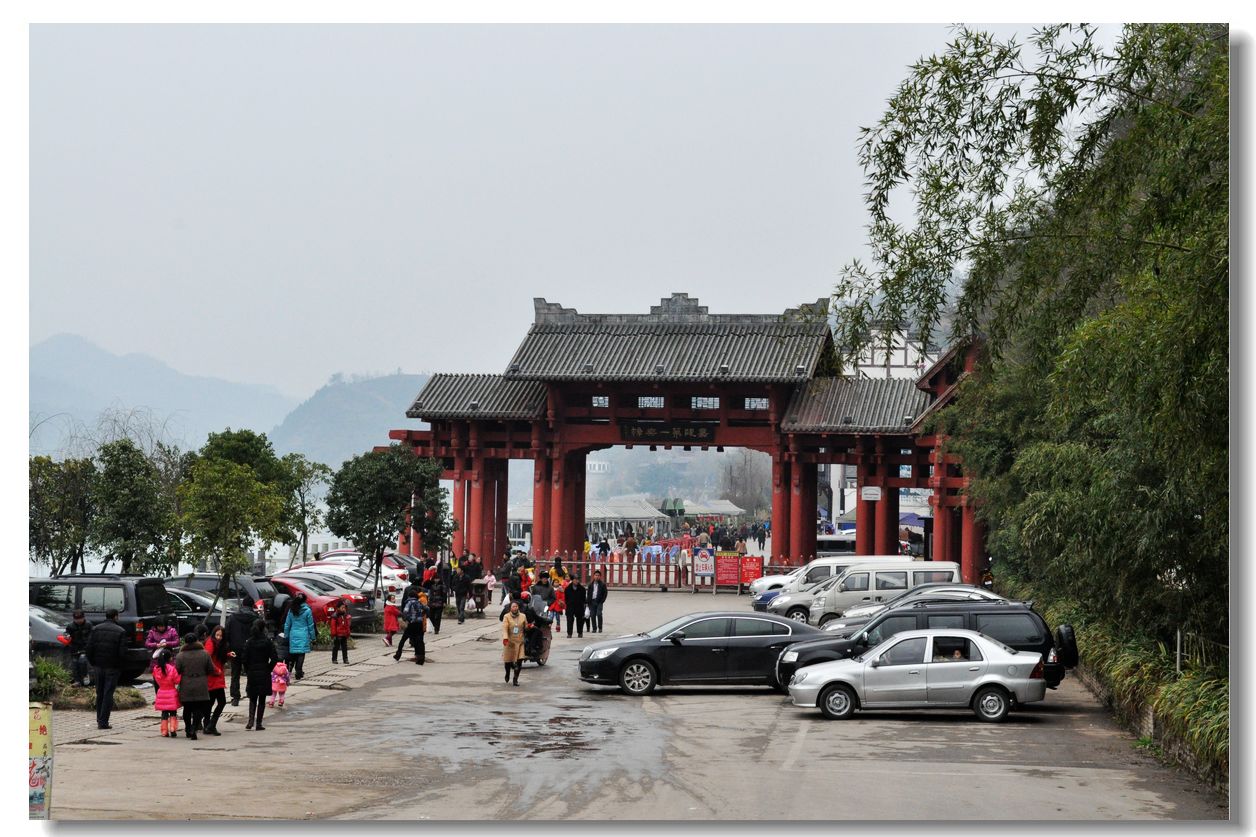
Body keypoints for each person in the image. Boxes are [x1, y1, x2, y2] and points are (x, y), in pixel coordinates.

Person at [84, 607, 127, 729]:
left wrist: (93, 663)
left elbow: (89, 648)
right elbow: (122, 653)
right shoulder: (121, 631)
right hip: (112, 667)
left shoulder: (95, 629)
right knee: (108, 693)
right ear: (116, 616)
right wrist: (119, 666)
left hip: (98, 666)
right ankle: (103, 722)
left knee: (100, 693)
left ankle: (99, 718)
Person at [174, 632, 213, 740]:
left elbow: (177, 671)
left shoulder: (180, 655)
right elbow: (211, 669)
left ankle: (188, 729)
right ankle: (194, 728)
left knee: (187, 708)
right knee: (198, 708)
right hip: (201, 684)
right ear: (197, 641)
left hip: (186, 684)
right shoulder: (205, 653)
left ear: (185, 642)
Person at [242, 621, 278, 731]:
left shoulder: (249, 642)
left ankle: (250, 721)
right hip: (264, 671)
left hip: (252, 672)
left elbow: (244, 659)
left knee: (252, 697)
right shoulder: (267, 642)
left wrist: (248, 670)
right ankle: (259, 723)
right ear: (263, 629)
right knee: (262, 698)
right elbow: (275, 658)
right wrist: (269, 668)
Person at [225, 593, 258, 706]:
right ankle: (250, 692)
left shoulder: (233, 617)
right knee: (251, 672)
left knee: (235, 673)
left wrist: (228, 648)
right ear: (252, 605)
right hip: (251, 649)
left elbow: (227, 633)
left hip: (235, 649)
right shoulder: (256, 618)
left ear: (242, 604)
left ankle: (235, 697)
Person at [202, 624, 229, 736]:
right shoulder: (210, 642)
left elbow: (217, 656)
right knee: (220, 702)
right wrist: (216, 670)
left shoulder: (219, 644)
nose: (219, 637)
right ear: (214, 634)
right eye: (217, 635)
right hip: (213, 676)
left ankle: (208, 725)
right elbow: (207, 659)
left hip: (217, 676)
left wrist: (228, 654)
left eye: (221, 636)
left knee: (211, 702)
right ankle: (210, 725)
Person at [282, 593, 315, 680]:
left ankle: (289, 671)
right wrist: (312, 637)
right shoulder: (307, 610)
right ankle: (298, 671)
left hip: (293, 634)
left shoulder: (291, 610)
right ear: (304, 600)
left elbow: (287, 624)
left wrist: (286, 635)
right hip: (303, 634)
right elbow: (310, 625)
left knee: (293, 653)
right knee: (301, 654)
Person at [152, 647, 182, 738]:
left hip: (161, 692)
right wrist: (180, 675)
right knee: (173, 712)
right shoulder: (171, 669)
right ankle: (172, 729)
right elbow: (177, 681)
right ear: (169, 658)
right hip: (171, 693)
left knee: (164, 713)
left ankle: (164, 731)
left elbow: (156, 680)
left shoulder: (156, 669)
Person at [394, 592, 428, 665]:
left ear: (409, 596)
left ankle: (398, 654)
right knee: (419, 641)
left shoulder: (409, 603)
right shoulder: (419, 602)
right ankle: (421, 658)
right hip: (419, 624)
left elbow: (405, 612)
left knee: (403, 639)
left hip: (412, 624)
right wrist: (422, 614)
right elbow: (427, 608)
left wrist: (407, 619)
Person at [501, 601, 527, 686]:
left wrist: (529, 627)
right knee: (508, 661)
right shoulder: (506, 616)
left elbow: (526, 627)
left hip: (520, 642)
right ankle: (507, 673)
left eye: (516, 606)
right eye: (513, 607)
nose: (515, 608)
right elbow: (504, 628)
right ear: (510, 608)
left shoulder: (523, 616)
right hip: (509, 642)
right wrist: (505, 638)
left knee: (520, 661)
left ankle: (515, 679)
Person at [65, 610, 92, 687]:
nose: (78, 621)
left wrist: (89, 646)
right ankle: (77, 680)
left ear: (83, 618)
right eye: (76, 619)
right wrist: (67, 636)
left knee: (82, 661)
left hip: (85, 647)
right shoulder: (70, 626)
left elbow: (91, 636)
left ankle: (85, 677)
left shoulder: (88, 625)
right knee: (75, 664)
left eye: (80, 619)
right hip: (74, 647)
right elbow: (66, 634)